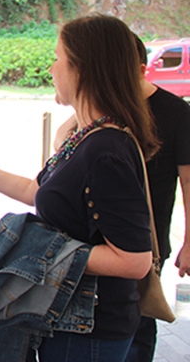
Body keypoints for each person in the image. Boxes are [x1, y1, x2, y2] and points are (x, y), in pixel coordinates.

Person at [0, 13, 157, 362]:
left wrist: (38, 252)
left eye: (58, 58)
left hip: (90, 331)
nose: (52, 69)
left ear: (81, 70)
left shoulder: (106, 152)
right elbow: (35, 190)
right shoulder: (86, 137)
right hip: (65, 321)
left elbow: (134, 261)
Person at [55, 35, 190, 362]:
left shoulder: (175, 113)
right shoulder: (91, 118)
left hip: (145, 248)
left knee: (137, 335)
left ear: (141, 70)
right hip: (93, 254)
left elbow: (188, 182)